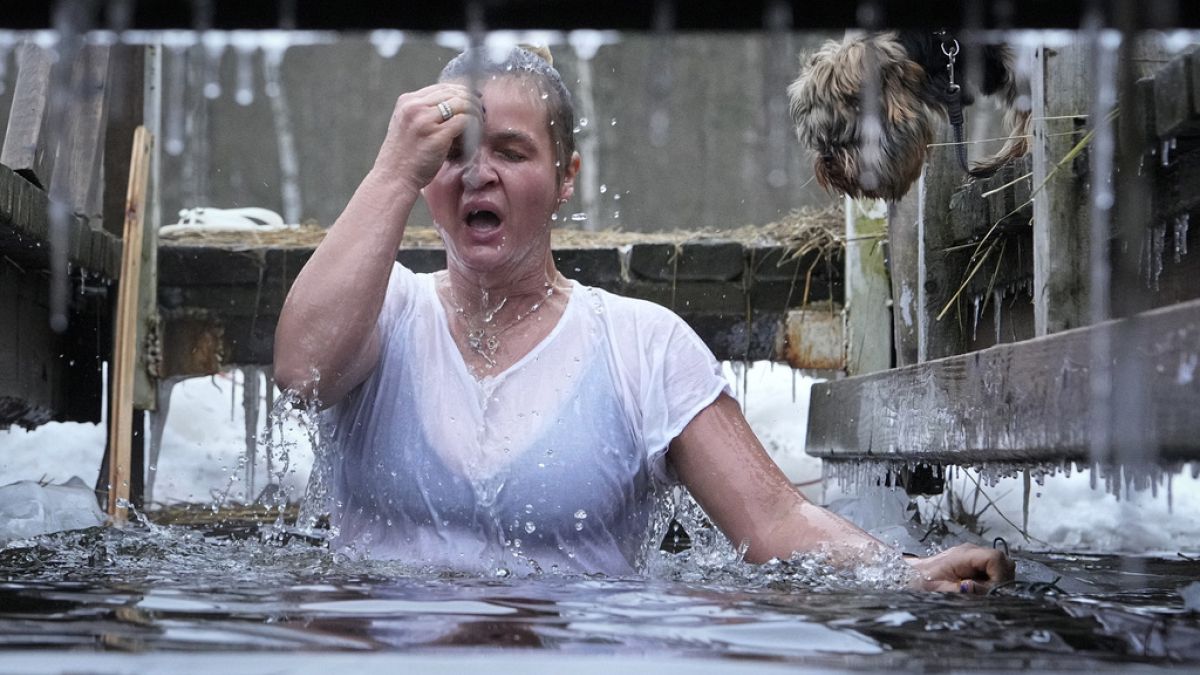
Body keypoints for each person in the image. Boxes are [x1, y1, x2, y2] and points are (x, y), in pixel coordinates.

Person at [273, 45, 1014, 591]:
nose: (477, 173)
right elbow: (302, 370)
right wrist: (390, 171)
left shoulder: (640, 344)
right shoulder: (386, 310)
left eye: (510, 151)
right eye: (452, 153)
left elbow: (774, 523)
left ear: (567, 178)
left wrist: (905, 572)